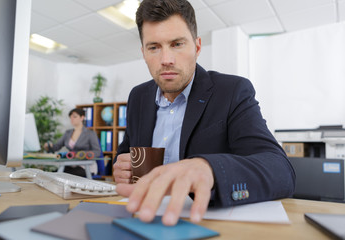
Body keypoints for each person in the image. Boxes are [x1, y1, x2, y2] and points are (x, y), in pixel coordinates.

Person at [113, 0, 295, 226]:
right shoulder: (138, 96)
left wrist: (209, 169)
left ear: (197, 47)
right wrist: (121, 168)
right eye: (154, 47)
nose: (166, 60)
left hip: (206, 224)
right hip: (143, 218)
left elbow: (281, 172)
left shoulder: (232, 91)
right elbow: (124, 153)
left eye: (177, 44)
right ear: (143, 52)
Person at [44, 108, 101, 177]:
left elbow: (97, 152)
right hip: (71, 165)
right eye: (70, 117)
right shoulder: (67, 133)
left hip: (86, 166)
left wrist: (81, 154)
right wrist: (49, 146)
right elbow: (56, 147)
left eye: (74, 117)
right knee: (52, 174)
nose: (72, 119)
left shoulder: (90, 133)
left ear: (82, 117)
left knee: (64, 176)